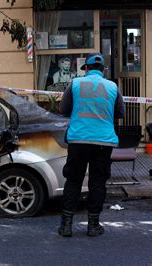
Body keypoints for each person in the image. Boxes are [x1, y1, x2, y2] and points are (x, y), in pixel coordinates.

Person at [58, 53, 125, 237]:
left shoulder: (75, 84)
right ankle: (93, 226)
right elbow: (120, 112)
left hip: (78, 140)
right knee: (97, 182)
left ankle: (66, 225)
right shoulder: (113, 87)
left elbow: (63, 110)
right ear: (103, 70)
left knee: (73, 180)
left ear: (86, 68)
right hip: (103, 141)